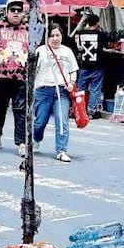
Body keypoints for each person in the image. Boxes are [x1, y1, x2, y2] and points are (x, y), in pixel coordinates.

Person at [0, 0, 30, 155]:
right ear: (7, 12)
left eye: (19, 10)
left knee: (20, 109)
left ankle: (21, 142)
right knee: (0, 108)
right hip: (0, 75)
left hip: (21, 75)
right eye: (13, 10)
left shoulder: (28, 29)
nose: (16, 13)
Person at [33, 23, 78, 163]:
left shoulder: (67, 52)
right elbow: (32, 72)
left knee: (62, 120)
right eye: (52, 36)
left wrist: (71, 83)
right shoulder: (40, 51)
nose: (55, 38)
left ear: (62, 36)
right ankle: (36, 139)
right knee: (40, 122)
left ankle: (61, 150)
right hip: (43, 90)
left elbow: (73, 71)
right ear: (47, 38)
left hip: (62, 91)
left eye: (58, 35)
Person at [73, 13, 108, 118]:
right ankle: (91, 111)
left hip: (84, 66)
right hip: (97, 66)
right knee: (95, 89)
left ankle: (77, 110)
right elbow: (107, 42)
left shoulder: (81, 33)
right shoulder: (101, 34)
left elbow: (77, 45)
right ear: (97, 23)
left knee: (80, 89)